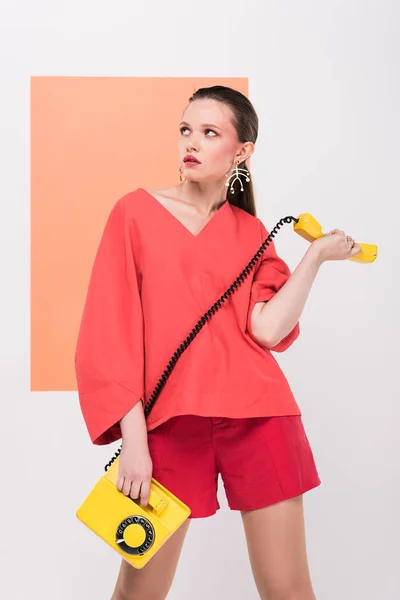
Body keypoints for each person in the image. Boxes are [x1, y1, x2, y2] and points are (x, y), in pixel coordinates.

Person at [74, 85, 361, 600]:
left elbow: (268, 330)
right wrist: (134, 441)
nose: (192, 142)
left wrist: (315, 256)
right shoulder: (134, 214)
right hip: (168, 425)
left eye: (210, 132)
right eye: (186, 130)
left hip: (261, 418)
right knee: (137, 595)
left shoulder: (250, 231)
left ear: (242, 151)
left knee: (290, 590)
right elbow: (107, 334)